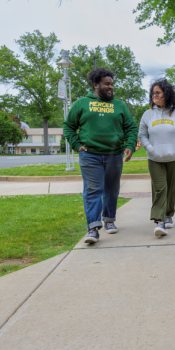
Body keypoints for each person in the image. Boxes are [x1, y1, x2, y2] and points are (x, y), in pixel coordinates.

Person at [63, 68, 138, 243]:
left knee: (112, 189)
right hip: (90, 155)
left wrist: (129, 145)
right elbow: (68, 126)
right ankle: (93, 229)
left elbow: (131, 127)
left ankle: (109, 221)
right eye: (107, 84)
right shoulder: (82, 103)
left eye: (111, 84)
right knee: (93, 190)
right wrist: (76, 144)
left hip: (114, 154)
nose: (110, 87)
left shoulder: (119, 105)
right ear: (96, 85)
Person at [138, 79, 175, 237]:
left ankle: (168, 214)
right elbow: (142, 134)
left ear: (166, 94)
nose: (154, 95)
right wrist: (150, 149)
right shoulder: (148, 114)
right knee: (160, 188)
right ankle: (160, 221)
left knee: (171, 188)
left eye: (158, 92)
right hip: (155, 158)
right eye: (153, 93)